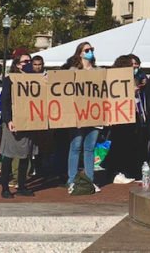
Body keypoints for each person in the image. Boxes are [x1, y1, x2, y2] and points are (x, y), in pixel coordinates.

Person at [103, 54, 149, 184]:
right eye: (133, 64)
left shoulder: (137, 79)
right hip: (120, 117)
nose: (136, 67)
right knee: (119, 144)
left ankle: (123, 170)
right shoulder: (118, 78)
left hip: (133, 116)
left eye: (137, 65)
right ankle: (114, 171)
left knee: (128, 145)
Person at [65, 42, 103, 194]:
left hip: (95, 115)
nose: (90, 52)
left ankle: (89, 180)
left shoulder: (99, 71)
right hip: (77, 115)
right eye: (87, 50)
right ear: (80, 53)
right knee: (75, 147)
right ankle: (72, 180)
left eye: (92, 49)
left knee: (90, 148)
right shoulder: (73, 71)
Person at [0, 52, 38, 199]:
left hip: (29, 122)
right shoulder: (10, 80)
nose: (28, 64)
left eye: (30, 61)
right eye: (24, 62)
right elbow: (5, 102)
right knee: (9, 156)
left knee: (25, 155)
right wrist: (8, 120)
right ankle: (4, 188)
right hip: (13, 122)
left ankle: (22, 185)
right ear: (16, 65)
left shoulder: (35, 80)